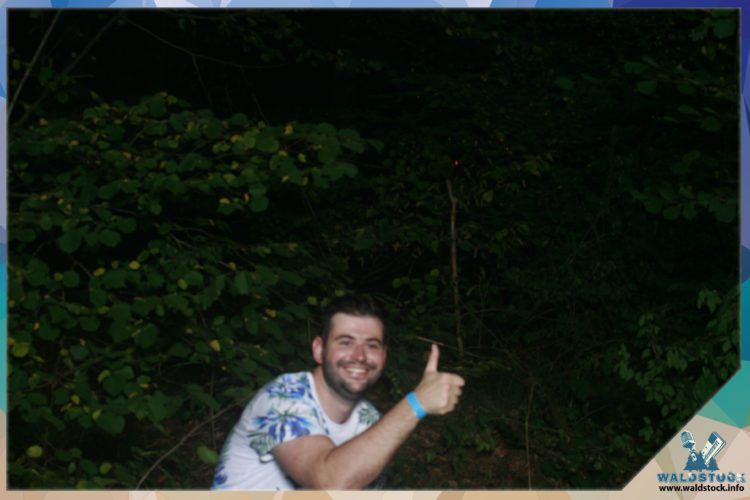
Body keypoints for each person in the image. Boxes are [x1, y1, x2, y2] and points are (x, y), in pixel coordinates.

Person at [211, 295, 465, 490]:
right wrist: (416, 403)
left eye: (372, 345)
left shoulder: (371, 422)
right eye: (345, 342)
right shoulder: (281, 398)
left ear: (384, 356)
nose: (360, 356)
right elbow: (330, 484)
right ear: (319, 350)